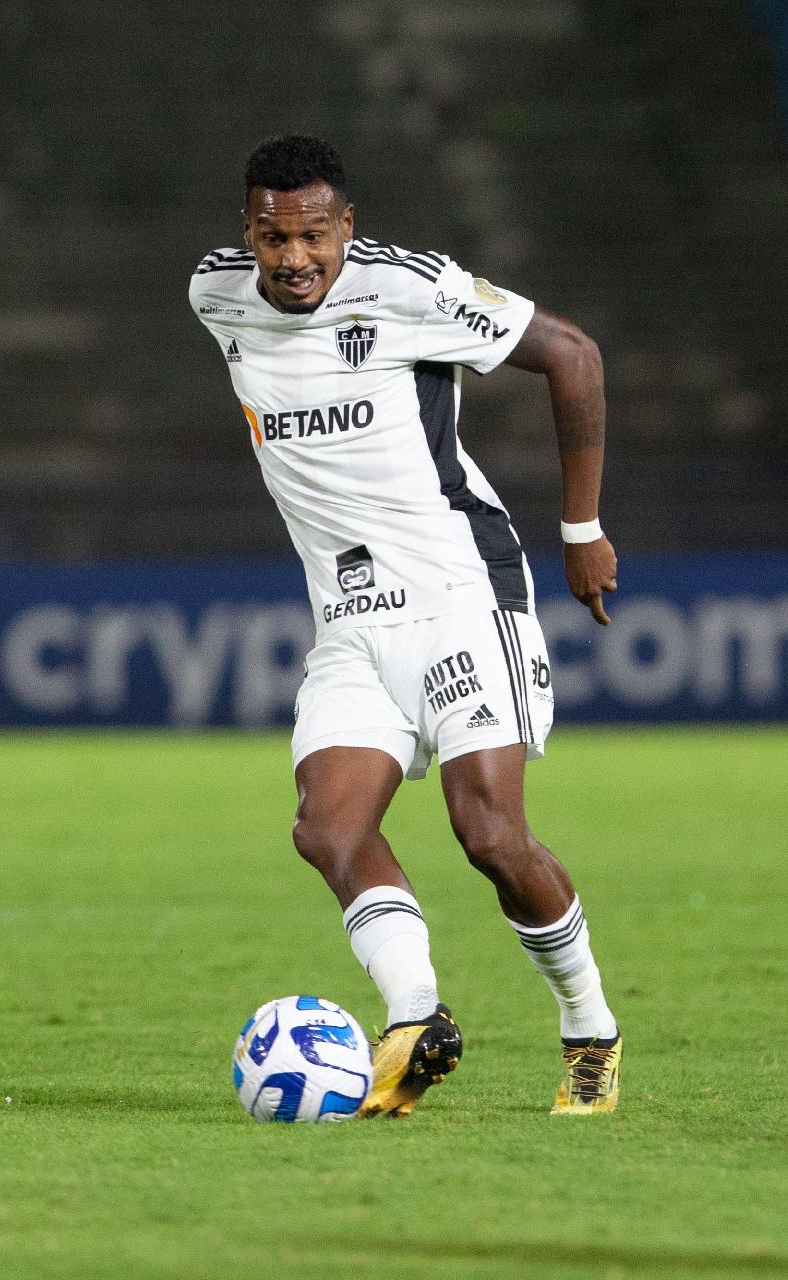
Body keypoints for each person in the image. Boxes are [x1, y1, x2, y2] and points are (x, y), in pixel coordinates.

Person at [190, 134, 622, 1116]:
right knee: (327, 825)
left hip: (460, 592)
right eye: (272, 237)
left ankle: (589, 1025)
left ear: (347, 225)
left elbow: (573, 354)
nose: (293, 258)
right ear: (246, 235)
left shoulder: (408, 289)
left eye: (312, 235)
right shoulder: (215, 296)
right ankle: (416, 1014)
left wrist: (582, 528)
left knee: (489, 832)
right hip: (347, 620)